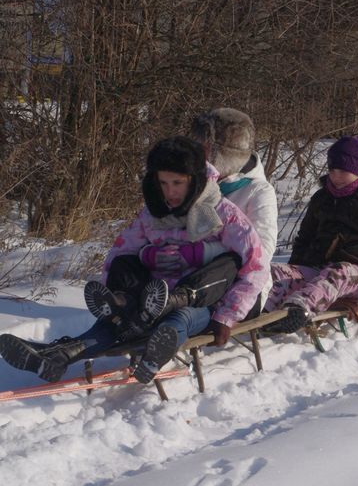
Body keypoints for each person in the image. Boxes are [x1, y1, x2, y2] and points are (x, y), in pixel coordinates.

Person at [0, 137, 267, 384]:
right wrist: (121, 288)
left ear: (194, 180)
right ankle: (60, 355)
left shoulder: (224, 214)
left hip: (201, 300)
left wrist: (226, 316)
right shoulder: (152, 214)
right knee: (122, 282)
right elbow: (120, 251)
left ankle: (154, 351)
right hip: (151, 299)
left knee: (204, 290)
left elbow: (255, 266)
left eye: (177, 183)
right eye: (163, 183)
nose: (170, 192)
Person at [265, 136, 358, 332]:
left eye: (343, 171)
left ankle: (297, 311)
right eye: (332, 170)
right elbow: (304, 239)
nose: (336, 176)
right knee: (273, 272)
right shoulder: (322, 198)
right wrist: (293, 272)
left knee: (337, 272)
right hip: (317, 268)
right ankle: (260, 310)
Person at [189, 108, 278, 307]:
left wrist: (203, 252)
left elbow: (261, 251)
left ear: (221, 154)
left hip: (241, 288)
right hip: (192, 275)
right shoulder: (195, 183)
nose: (198, 153)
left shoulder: (259, 191)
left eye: (204, 147)